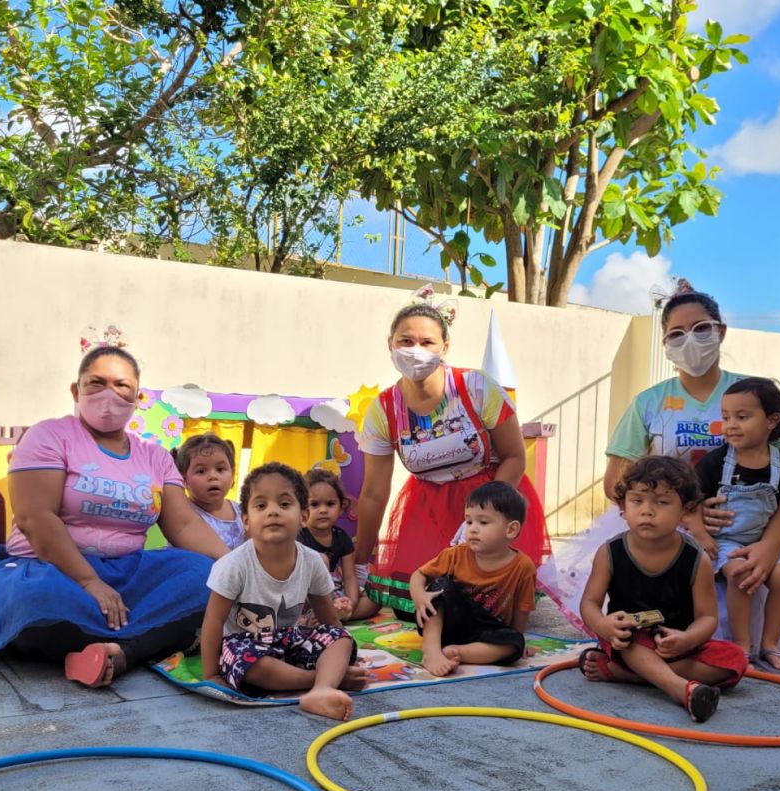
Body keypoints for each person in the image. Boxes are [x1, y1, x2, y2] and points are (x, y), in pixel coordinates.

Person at [540, 283, 780, 662]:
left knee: (744, 609)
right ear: (665, 343)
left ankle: (753, 646)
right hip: (668, 534)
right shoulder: (648, 403)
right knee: (664, 634)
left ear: (721, 331)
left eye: (701, 328)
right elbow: (615, 481)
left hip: (750, 534)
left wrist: (770, 546)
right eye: (676, 333)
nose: (690, 340)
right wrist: (682, 513)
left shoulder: (756, 396)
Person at [0, 342, 229, 687]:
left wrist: (238, 567)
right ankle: (137, 646)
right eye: (96, 383)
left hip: (128, 572)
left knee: (206, 578)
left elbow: (184, 524)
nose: (109, 394)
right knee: (35, 603)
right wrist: (89, 582)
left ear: (137, 397)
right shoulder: (49, 436)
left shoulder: (154, 456)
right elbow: (35, 517)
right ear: (76, 390)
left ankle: (119, 654)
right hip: (50, 568)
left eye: (122, 385)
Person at [355, 287, 551, 619]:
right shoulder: (383, 410)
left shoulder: (476, 388)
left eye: (427, 342)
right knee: (413, 608)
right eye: (405, 341)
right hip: (426, 509)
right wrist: (361, 562)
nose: (415, 350)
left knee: (483, 608)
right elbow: (374, 493)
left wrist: (486, 515)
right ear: (390, 344)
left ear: (445, 347)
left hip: (491, 498)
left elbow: (515, 456)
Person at [579, 457, 747, 723]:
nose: (647, 511)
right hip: (628, 641)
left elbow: (707, 617)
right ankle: (680, 689)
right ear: (623, 507)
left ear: (686, 511)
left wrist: (687, 639)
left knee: (736, 659)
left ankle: (631, 675)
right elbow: (589, 602)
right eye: (637, 501)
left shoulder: (697, 558)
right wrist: (603, 626)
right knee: (630, 640)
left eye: (662, 502)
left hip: (677, 644)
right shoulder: (610, 552)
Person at [201, 463, 368, 720]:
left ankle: (322, 690)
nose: (273, 512)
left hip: (289, 641)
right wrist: (211, 674)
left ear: (303, 516)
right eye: (261, 505)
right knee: (244, 659)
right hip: (246, 645)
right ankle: (318, 680)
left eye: (284, 504)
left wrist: (341, 653)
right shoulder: (233, 565)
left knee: (340, 637)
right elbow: (213, 620)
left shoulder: (312, 561)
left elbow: (329, 620)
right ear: (246, 519)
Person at [690, 379, 780, 673]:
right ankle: (742, 645)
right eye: (725, 417)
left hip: (762, 540)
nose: (731, 425)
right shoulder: (716, 463)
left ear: (771, 421)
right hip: (725, 540)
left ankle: (770, 645)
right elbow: (689, 502)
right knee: (741, 573)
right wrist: (700, 534)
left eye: (742, 417)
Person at [410, 481, 537, 677]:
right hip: (449, 624)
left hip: (486, 633)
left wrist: (518, 640)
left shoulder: (523, 567)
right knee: (441, 586)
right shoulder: (455, 554)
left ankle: (458, 652)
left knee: (515, 642)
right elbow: (419, 575)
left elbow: (522, 610)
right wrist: (419, 595)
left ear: (511, 530)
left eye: (483, 522)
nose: (472, 529)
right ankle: (431, 650)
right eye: (469, 522)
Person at [300, 468, 379, 621]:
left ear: (341, 508)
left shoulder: (342, 537)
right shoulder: (299, 537)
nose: (323, 510)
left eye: (330, 504)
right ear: (303, 509)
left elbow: (349, 577)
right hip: (311, 598)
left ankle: (336, 615)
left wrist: (351, 603)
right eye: (314, 504)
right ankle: (324, 615)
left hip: (337, 593)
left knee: (375, 599)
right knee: (319, 559)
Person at [175, 433, 246, 551]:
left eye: (220, 469)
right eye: (201, 471)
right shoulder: (183, 514)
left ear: (233, 474)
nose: (213, 476)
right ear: (184, 479)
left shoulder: (242, 512)